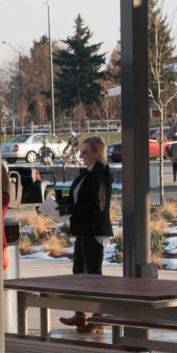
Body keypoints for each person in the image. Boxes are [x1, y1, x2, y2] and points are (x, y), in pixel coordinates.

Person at [59, 135, 113, 328]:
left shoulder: (99, 176)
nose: (81, 155)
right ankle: (80, 314)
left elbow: (97, 206)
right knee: (78, 272)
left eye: (85, 151)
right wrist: (63, 204)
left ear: (97, 153)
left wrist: (72, 209)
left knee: (92, 273)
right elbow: (79, 200)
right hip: (83, 228)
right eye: (80, 151)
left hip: (94, 229)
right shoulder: (86, 174)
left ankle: (98, 316)